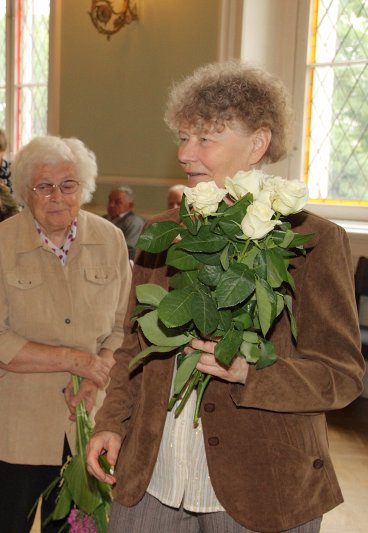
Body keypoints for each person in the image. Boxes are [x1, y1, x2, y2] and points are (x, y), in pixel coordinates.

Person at [86, 62, 365, 533]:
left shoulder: (313, 241)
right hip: (152, 471)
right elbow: (134, 346)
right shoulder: (163, 233)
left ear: (257, 143)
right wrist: (111, 422)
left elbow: (342, 376)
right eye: (182, 136)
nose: (184, 152)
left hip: (263, 483)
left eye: (205, 138)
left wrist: (252, 372)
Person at [0, 136, 132, 533]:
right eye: (44, 186)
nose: (57, 196)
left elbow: (124, 329)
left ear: (83, 189)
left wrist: (96, 376)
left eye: (68, 185)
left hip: (85, 430)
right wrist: (76, 361)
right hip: (13, 432)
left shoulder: (110, 240)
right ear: (26, 191)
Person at [103, 185, 144, 260]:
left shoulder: (134, 222)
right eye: (110, 200)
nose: (111, 205)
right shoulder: (102, 219)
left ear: (130, 205)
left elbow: (129, 250)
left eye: (118, 202)